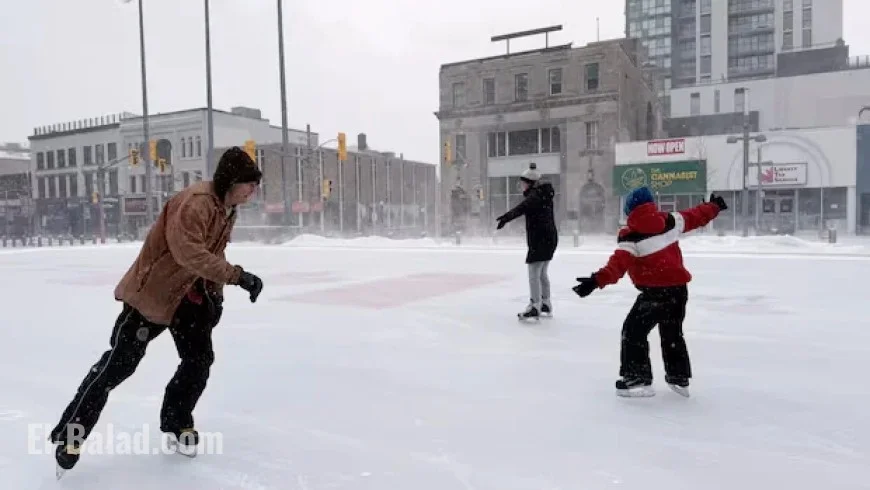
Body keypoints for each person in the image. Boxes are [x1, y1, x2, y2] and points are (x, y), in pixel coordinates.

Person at [50, 147, 265, 474]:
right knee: (117, 367)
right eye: (250, 184)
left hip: (189, 297)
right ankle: (71, 434)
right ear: (232, 181)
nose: (253, 191)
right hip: (153, 295)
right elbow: (189, 253)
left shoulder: (226, 208)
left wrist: (215, 296)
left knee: (199, 360)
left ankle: (177, 421)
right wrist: (238, 276)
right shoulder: (196, 203)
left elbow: (214, 253)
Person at [572, 186, 727, 397]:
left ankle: (637, 380)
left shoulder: (631, 236)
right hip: (679, 291)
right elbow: (697, 215)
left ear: (629, 209)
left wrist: (594, 281)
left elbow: (616, 267)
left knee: (633, 332)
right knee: (672, 333)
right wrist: (714, 206)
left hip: (655, 295)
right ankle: (679, 378)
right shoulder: (671, 221)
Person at [495, 163, 558, 320]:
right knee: (542, 273)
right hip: (550, 238)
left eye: (523, 183)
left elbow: (521, 208)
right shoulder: (544, 194)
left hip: (540, 239)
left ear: (530, 183)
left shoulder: (535, 196)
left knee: (533, 273)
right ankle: (545, 303)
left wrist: (505, 218)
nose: (521, 186)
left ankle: (535, 305)